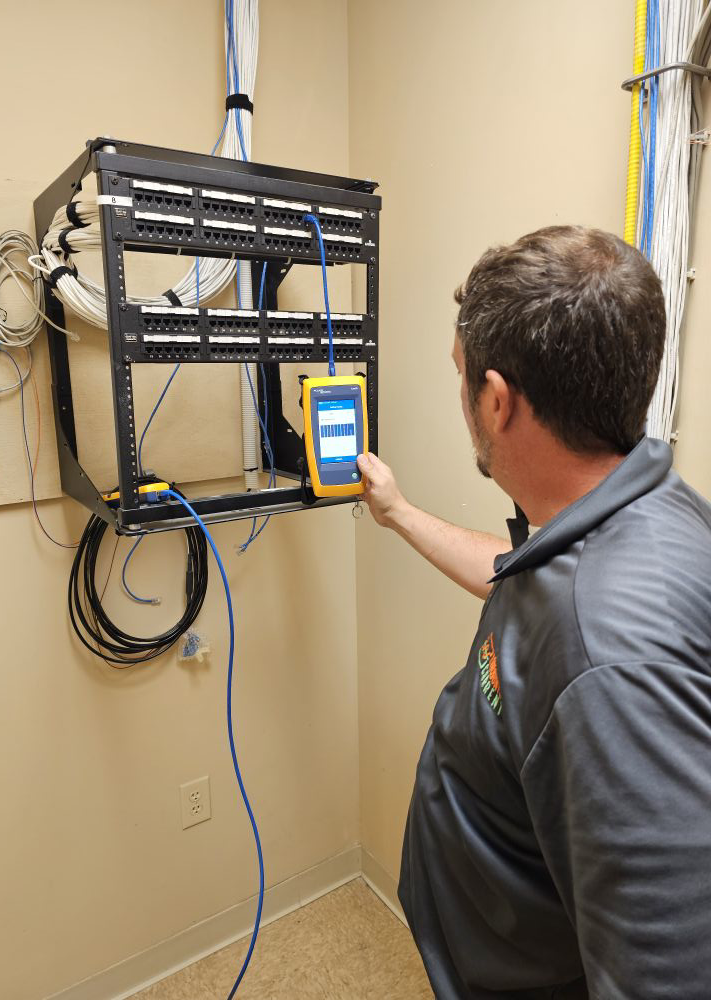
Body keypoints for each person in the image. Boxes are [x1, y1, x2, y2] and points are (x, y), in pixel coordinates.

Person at [356, 226, 711, 1000]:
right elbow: (531, 588)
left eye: (461, 377)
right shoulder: (634, 511)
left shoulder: (609, 665)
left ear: (496, 400)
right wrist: (401, 514)